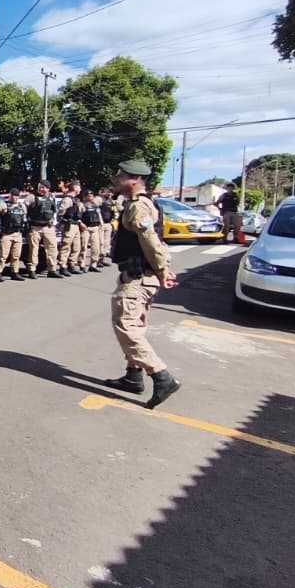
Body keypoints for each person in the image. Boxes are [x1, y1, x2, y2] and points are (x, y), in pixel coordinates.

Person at [104, 159, 181, 409]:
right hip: (139, 275)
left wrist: (163, 270)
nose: (117, 179)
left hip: (138, 278)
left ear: (135, 179)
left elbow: (151, 242)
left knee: (126, 325)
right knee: (135, 325)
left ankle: (161, 376)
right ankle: (133, 376)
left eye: (121, 175)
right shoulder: (137, 203)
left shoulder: (138, 206)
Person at [0, 188, 28, 282]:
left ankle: (15, 272)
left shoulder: (21, 206)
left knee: (16, 255)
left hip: (18, 234)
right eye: (13, 195)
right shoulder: (4, 205)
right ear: (10, 195)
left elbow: (24, 217)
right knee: (3, 255)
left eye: (17, 196)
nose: (15, 198)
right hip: (6, 234)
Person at [27, 180, 59, 278]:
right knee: (34, 249)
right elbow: (24, 207)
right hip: (35, 227)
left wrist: (53, 221)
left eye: (43, 187)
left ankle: (52, 269)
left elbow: (54, 211)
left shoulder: (52, 197)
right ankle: (32, 270)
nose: (41, 189)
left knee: (52, 248)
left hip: (48, 227)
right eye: (40, 187)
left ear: (48, 188)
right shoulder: (32, 197)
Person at [56, 180, 84, 275]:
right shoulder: (67, 200)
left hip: (75, 224)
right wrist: (62, 223)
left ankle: (72, 264)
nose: (80, 189)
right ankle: (62, 265)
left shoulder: (76, 200)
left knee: (76, 246)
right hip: (69, 225)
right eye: (79, 187)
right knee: (66, 245)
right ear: (75, 188)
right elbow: (61, 213)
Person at [77, 188, 102, 273]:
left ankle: (93, 265)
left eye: (91, 196)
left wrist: (101, 224)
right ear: (84, 197)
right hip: (86, 228)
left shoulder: (95, 205)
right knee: (83, 247)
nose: (90, 197)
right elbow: (78, 216)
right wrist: (81, 224)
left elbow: (98, 215)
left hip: (95, 228)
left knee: (96, 248)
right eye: (88, 196)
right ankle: (82, 264)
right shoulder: (82, 205)